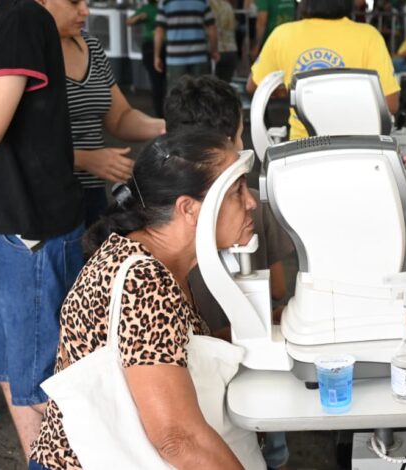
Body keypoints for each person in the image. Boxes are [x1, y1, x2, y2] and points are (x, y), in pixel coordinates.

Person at [29, 129, 262, 470]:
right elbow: (177, 439)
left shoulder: (153, 259)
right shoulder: (144, 282)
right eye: (236, 191)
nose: (251, 201)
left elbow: (170, 350)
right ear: (189, 209)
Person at [164, 74, 294, 470]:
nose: (248, 202)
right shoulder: (245, 207)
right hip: (236, 384)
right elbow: (278, 287)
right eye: (239, 138)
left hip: (196, 394)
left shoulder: (155, 210)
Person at [0, 0, 85, 460]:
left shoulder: (18, 18)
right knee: (10, 372)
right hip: (6, 222)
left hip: (31, 229)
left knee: (40, 384)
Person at [43, 0, 166, 227]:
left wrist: (164, 127)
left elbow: (120, 117)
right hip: (46, 196)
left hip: (93, 191)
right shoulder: (25, 55)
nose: (85, 11)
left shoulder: (92, 46)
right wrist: (84, 159)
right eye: (74, 3)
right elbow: (21, 142)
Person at [247, 0, 400, 140]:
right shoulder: (369, 36)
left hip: (302, 147)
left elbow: (253, 85)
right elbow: (390, 104)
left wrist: (284, 90)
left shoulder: (282, 35)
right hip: (356, 145)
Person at [154, 0, 219, 87]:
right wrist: (214, 50)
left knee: (177, 96)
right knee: (200, 95)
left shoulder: (165, 2)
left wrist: (156, 56)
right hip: (199, 58)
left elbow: (159, 31)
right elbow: (212, 28)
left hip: (175, 60)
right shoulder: (203, 1)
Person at [126, 0, 166, 117]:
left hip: (163, 46)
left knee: (160, 82)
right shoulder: (146, 8)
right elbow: (129, 21)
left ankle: (162, 111)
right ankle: (160, 112)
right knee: (157, 81)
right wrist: (139, 17)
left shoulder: (163, 6)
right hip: (152, 46)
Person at [209, 0, 238, 82]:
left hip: (216, 52)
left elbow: (211, 30)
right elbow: (234, 26)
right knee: (226, 87)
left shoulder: (208, 5)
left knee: (213, 87)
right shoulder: (227, 5)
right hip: (231, 49)